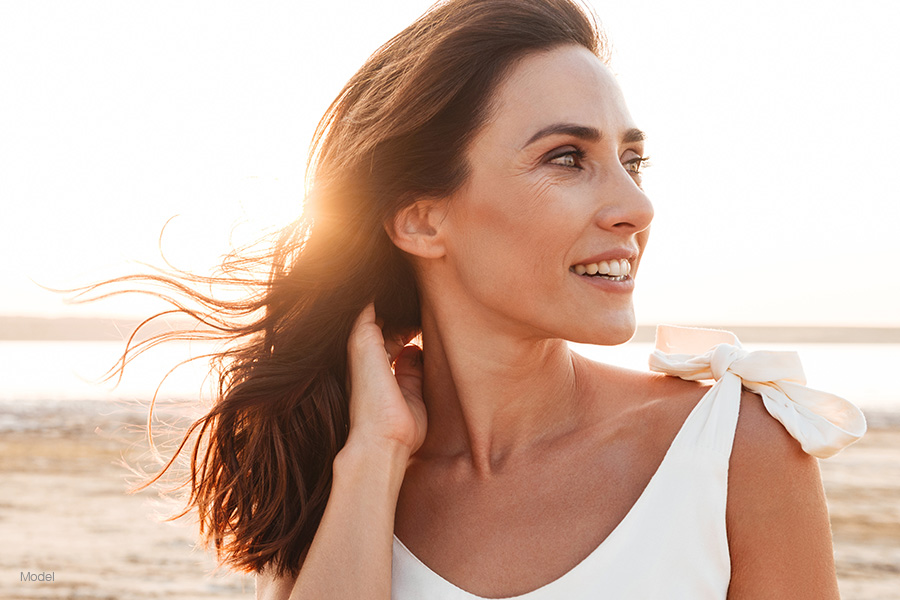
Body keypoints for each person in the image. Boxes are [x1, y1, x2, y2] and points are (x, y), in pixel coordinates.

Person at [114, 0, 865, 598]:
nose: (636, 205)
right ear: (421, 218)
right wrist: (373, 460)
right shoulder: (332, 471)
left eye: (631, 159)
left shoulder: (736, 447)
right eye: (567, 158)